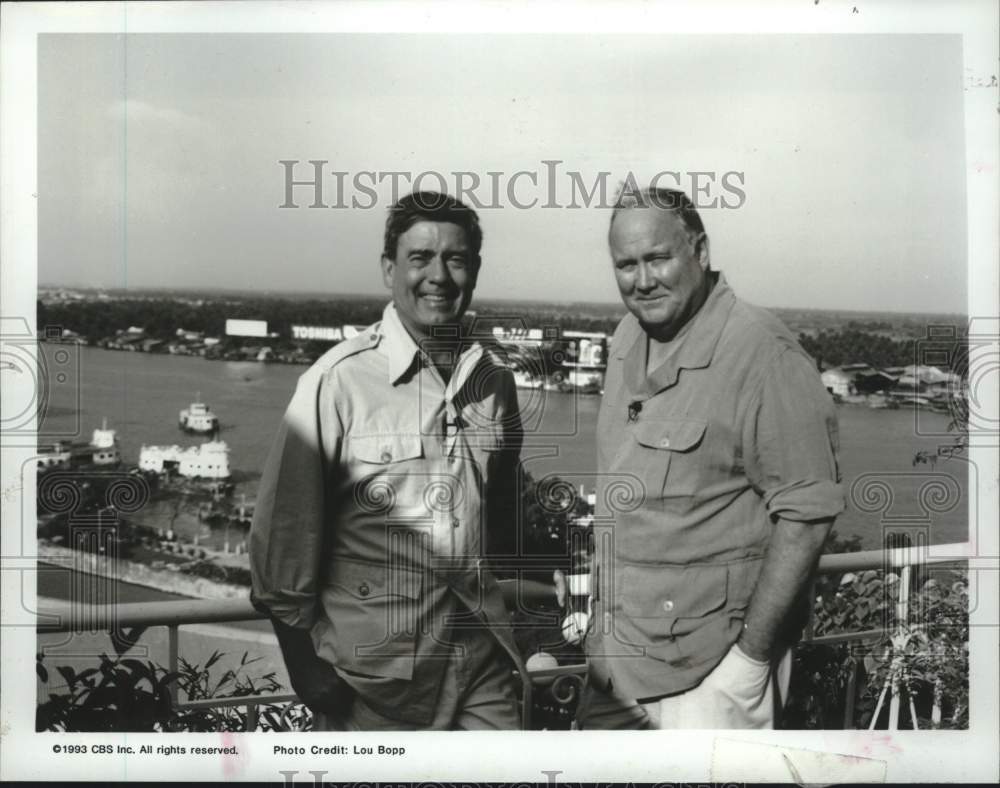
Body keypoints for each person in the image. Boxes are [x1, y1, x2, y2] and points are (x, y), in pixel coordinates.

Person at [250, 191, 525, 730]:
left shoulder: (495, 382)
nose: (438, 276)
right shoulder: (338, 383)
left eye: (456, 259)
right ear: (388, 270)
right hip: (376, 681)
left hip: (479, 665)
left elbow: (501, 509)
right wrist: (305, 671)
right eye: (420, 257)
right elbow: (284, 535)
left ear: (475, 270)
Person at [575, 186, 844, 729]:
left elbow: (808, 516)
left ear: (699, 251)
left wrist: (748, 662)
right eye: (626, 265)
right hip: (615, 664)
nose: (642, 280)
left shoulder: (764, 355)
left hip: (707, 679)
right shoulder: (628, 337)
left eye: (658, 258)